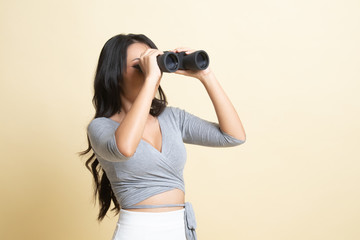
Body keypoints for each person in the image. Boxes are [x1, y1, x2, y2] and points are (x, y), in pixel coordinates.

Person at [79, 33, 246, 240]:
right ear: (114, 74)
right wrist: (150, 79)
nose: (152, 70)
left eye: (154, 62)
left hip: (179, 230)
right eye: (140, 65)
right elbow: (125, 148)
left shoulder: (172, 118)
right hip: (136, 232)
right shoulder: (100, 127)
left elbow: (234, 136)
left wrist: (206, 75)